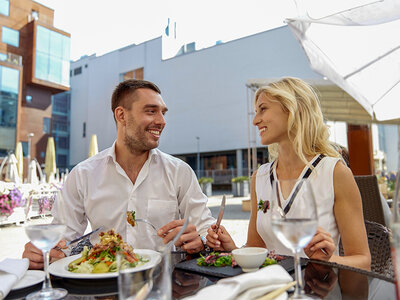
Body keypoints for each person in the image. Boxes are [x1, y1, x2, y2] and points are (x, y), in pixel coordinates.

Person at [23, 79, 215, 269]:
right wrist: (42, 254)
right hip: (102, 284)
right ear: (121, 115)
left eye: (162, 113)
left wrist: (203, 241)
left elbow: (206, 230)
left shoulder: (179, 172)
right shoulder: (83, 174)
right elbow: (63, 240)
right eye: (151, 111)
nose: (161, 121)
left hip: (165, 283)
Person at [206, 77, 371, 270]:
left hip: (318, 291)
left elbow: (363, 261)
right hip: (271, 291)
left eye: (263, 109)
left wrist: (327, 260)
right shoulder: (259, 177)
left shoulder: (335, 173)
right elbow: (256, 249)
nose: (255, 120)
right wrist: (232, 249)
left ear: (294, 109)